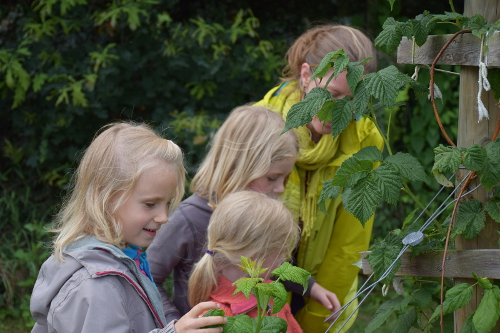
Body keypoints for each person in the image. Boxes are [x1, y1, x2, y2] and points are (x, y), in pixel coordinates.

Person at [147, 105, 340, 323]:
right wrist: (176, 322)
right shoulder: (189, 218)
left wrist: (310, 287)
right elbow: (148, 277)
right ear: (240, 166)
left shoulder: (261, 217)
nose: (280, 189)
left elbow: (272, 262)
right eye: (272, 178)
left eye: (285, 179)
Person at [30, 122, 226, 333]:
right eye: (150, 204)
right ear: (106, 198)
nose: (163, 217)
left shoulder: (124, 258)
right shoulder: (97, 284)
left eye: (168, 204)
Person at [254, 24, 384, 332]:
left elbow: (349, 245)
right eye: (333, 94)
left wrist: (315, 323)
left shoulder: (367, 141)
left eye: (352, 101)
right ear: (305, 75)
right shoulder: (259, 126)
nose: (339, 110)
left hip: (323, 291)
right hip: (257, 285)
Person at [188, 191, 302, 333]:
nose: (284, 257)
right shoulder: (216, 319)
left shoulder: (273, 297)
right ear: (253, 254)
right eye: (281, 250)